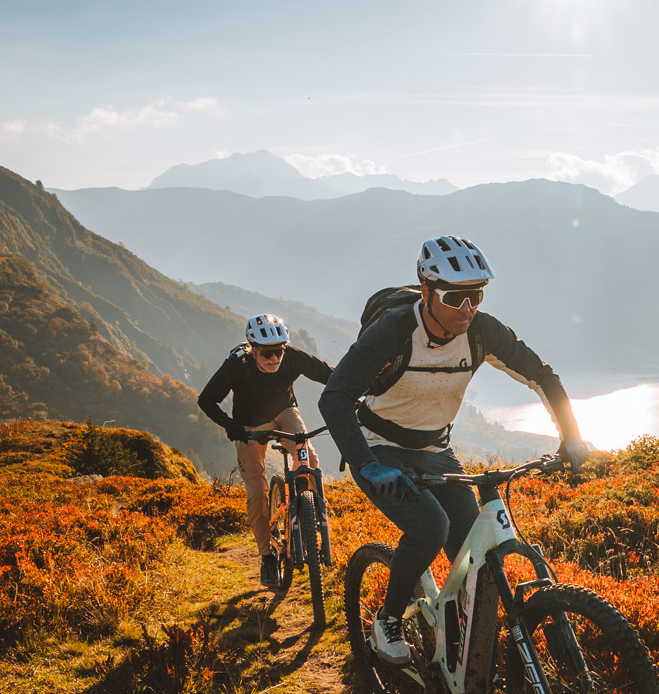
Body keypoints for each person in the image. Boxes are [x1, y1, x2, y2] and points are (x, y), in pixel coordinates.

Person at [319, 236, 590, 665]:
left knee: (475, 551)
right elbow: (334, 397)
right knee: (431, 526)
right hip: (380, 448)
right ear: (425, 291)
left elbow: (542, 376)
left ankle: (465, 649)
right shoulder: (393, 330)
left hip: (436, 449)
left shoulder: (482, 331)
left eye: (476, 296)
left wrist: (571, 435)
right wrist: (366, 465)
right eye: (454, 297)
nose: (467, 309)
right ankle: (387, 620)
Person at [198, 313, 333, 587]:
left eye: (279, 351)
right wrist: (231, 426)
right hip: (248, 425)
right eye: (267, 353)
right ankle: (267, 556)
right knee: (257, 490)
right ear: (253, 349)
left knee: (308, 459)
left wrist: (350, 396)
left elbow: (330, 375)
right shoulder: (237, 365)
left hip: (284, 412)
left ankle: (311, 517)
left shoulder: (292, 357)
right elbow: (207, 400)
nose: (274, 359)